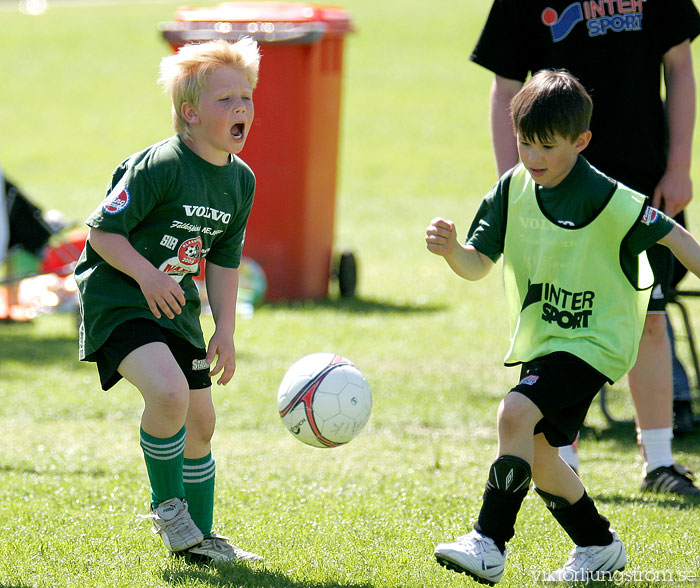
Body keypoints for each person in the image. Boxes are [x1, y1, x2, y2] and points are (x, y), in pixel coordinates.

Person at [426, 69, 700, 584]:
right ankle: (597, 546)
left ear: (581, 141)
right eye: (525, 143)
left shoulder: (610, 199)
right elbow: (478, 264)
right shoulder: (513, 189)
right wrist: (452, 252)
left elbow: (674, 237)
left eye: (546, 146)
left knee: (514, 414)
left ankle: (489, 542)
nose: (532, 158)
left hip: (595, 342)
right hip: (548, 340)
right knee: (541, 454)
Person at [470, 0, 700, 495]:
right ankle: (562, 459)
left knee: (650, 318)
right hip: (552, 188)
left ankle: (659, 463)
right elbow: (505, 86)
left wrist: (679, 164)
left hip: (640, 181)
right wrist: (514, 187)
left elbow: (680, 65)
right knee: (557, 321)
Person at [75, 38, 263, 565]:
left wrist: (224, 329)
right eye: (225, 100)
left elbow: (224, 260)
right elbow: (102, 234)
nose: (241, 108)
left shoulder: (241, 181)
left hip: (173, 307)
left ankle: (200, 540)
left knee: (201, 423)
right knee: (167, 391)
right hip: (120, 296)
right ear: (190, 113)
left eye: (246, 97)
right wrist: (147, 275)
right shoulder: (161, 164)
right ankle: (167, 507)